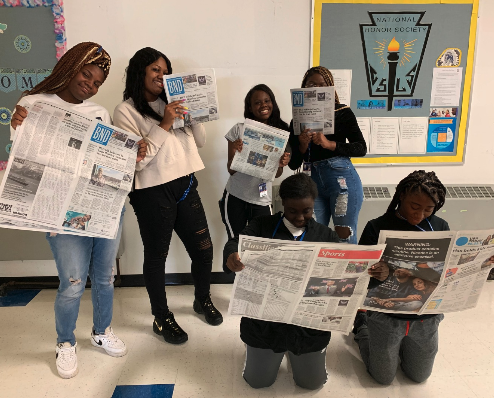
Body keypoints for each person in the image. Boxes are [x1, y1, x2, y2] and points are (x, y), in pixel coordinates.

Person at [10, 42, 146, 379]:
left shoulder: (98, 113)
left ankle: (101, 332)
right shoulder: (32, 104)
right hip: (60, 210)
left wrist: (132, 155)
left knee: (104, 278)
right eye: (87, 74)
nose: (91, 84)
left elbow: (105, 161)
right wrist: (15, 125)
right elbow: (21, 160)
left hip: (103, 207)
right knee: (72, 282)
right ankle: (65, 342)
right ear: (70, 66)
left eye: (97, 81)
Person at [353, 170, 494, 385]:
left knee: (419, 376)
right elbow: (360, 276)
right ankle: (361, 326)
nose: (420, 215)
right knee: (382, 378)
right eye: (415, 206)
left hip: (426, 316)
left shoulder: (440, 226)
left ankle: (404, 343)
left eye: (428, 209)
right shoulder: (376, 226)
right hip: (386, 316)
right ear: (402, 195)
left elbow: (452, 269)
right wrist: (378, 273)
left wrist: (487, 261)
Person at [113, 47, 222, 345]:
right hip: (151, 193)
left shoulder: (170, 102)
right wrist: (164, 124)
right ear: (141, 72)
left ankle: (202, 300)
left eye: (165, 70)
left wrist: (191, 114)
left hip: (185, 184)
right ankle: (161, 318)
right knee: (156, 257)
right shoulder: (126, 111)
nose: (162, 76)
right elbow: (138, 160)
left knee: (203, 249)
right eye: (155, 70)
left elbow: (198, 141)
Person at [223, 173, 340, 390]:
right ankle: (258, 355)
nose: (299, 218)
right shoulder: (261, 226)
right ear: (282, 203)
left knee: (312, 384)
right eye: (292, 211)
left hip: (307, 330)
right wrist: (232, 255)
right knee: (258, 382)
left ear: (313, 205)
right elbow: (235, 243)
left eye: (306, 211)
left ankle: (302, 358)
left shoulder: (326, 235)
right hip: (265, 327)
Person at [287, 66, 366, 243]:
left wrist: (329, 144)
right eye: (311, 85)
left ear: (330, 88)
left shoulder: (343, 112)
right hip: (311, 181)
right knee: (311, 236)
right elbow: (293, 164)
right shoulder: (297, 120)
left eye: (322, 85)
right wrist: (302, 145)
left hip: (341, 180)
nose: (316, 88)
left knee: (344, 236)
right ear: (303, 88)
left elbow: (361, 148)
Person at [219, 84, 290, 240]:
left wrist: (280, 164)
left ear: (273, 103)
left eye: (267, 100)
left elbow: (276, 174)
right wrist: (237, 152)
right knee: (235, 243)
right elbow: (231, 169)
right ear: (250, 107)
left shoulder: (281, 133)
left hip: (262, 199)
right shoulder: (238, 130)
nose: (263, 105)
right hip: (235, 196)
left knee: (261, 245)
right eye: (257, 102)